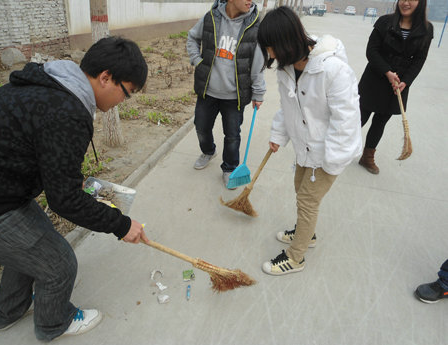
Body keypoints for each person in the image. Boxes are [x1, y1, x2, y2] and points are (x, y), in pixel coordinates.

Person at [0, 36, 149, 341]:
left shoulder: (54, 84)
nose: (123, 102)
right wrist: (121, 225)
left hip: (5, 185)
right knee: (60, 266)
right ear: (105, 77)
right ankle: (53, 323)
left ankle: (8, 312)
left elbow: (55, 172)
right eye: (126, 93)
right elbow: (64, 199)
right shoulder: (66, 111)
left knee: (32, 244)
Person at [257, 7, 362, 275]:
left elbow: (347, 121)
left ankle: (295, 257)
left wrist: (332, 162)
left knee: (307, 200)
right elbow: (287, 107)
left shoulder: (334, 71)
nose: (270, 55)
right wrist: (278, 136)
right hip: (304, 147)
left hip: (327, 153)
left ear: (285, 42)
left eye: (271, 48)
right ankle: (308, 234)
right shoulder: (287, 68)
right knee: (298, 188)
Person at [186, 0, 266, 189]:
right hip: (208, 90)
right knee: (201, 127)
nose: (251, 1)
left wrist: (258, 92)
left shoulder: (255, 26)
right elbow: (192, 38)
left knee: (232, 135)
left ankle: (229, 168)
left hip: (234, 95)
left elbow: (258, 62)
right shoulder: (211, 18)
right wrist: (197, 61)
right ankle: (208, 151)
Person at [358, 0, 433, 174]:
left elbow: (419, 60)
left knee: (380, 121)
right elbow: (372, 51)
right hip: (374, 79)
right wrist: (387, 72)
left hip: (398, 85)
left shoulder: (426, 30)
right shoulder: (385, 22)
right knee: (358, 118)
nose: (405, 3)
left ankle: (367, 156)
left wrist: (405, 81)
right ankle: (337, 149)